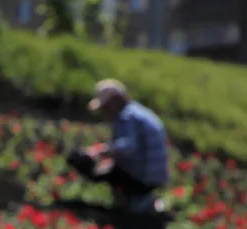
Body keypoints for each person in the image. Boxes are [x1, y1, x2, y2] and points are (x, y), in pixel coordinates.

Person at [67, 79, 170, 216]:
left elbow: (127, 146)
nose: (104, 111)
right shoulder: (136, 111)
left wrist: (97, 152)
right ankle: (136, 199)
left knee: (87, 163)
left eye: (106, 106)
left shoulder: (126, 116)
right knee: (106, 168)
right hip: (155, 175)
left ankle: (138, 201)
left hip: (143, 177)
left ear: (116, 100)